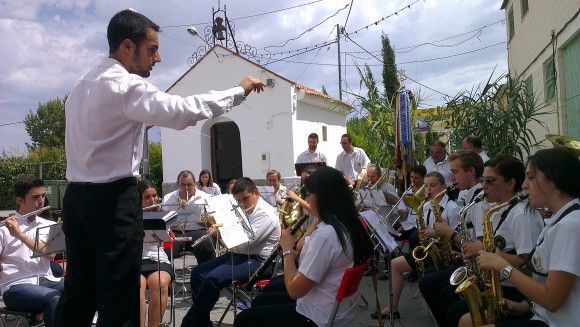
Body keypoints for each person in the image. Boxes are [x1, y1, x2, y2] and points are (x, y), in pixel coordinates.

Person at [59, 9, 265, 326]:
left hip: (75, 201)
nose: (158, 58)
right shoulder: (127, 87)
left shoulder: (80, 88)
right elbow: (182, 111)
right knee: (120, 298)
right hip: (113, 202)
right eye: (152, 49)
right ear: (128, 47)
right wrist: (239, 91)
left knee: (78, 294)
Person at [234, 166, 374, 327]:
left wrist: (287, 251)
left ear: (324, 197)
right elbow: (305, 253)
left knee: (243, 320)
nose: (306, 200)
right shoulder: (346, 223)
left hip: (317, 316)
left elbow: (294, 290)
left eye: (309, 194)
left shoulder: (327, 235)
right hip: (336, 309)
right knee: (261, 300)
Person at [460, 148, 580, 327]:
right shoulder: (560, 220)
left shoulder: (570, 225)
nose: (524, 185)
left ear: (554, 179)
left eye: (531, 177)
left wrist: (501, 265)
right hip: (543, 316)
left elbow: (552, 300)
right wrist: (523, 306)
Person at [443, 155, 543, 326]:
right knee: (448, 301)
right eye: (483, 180)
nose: (483, 186)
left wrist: (487, 251)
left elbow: (528, 266)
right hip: (500, 282)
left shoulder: (521, 216)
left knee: (454, 311)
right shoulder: (497, 209)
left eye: (489, 181)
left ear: (510, 184)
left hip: (517, 289)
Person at [181, 177, 281, 327]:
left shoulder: (266, 214)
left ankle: (190, 323)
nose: (242, 204)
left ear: (256, 193)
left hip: (261, 261)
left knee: (212, 279)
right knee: (197, 273)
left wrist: (221, 232)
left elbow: (246, 244)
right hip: (241, 255)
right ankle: (201, 322)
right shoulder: (243, 208)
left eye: (245, 199)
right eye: (238, 201)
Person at [372, 172, 458, 320]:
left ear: (443, 186)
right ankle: (393, 308)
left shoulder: (452, 207)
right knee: (394, 264)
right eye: (426, 186)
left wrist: (435, 233)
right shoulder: (425, 205)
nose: (429, 189)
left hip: (447, 254)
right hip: (429, 250)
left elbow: (457, 237)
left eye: (433, 185)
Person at [418, 150, 485, 326]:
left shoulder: (479, 202)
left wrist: (449, 233)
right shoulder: (470, 197)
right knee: (431, 279)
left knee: (434, 288)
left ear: (470, 172)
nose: (452, 177)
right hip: (467, 258)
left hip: (479, 268)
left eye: (455, 172)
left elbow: (481, 246)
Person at [1, 176, 64, 327]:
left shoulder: (49, 225)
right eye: (35, 197)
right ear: (19, 200)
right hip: (16, 286)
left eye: (43, 196)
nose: (41, 201)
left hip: (48, 280)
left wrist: (20, 235)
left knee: (86, 287)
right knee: (53, 297)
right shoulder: (3, 230)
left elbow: (52, 255)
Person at [137, 179, 173, 327]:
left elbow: (168, 243)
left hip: (157, 258)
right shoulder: (131, 217)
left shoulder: (163, 215)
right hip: (137, 259)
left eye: (154, 196)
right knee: (137, 285)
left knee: (161, 284)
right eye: (147, 197)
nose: (152, 200)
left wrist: (167, 234)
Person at [162, 170, 215, 264]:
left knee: (207, 244)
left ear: (195, 184)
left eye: (189, 184)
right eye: (183, 184)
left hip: (199, 231)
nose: (186, 188)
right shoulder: (168, 198)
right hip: (175, 233)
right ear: (178, 184)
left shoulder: (206, 198)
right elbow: (163, 220)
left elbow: (214, 218)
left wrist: (212, 225)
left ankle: (205, 275)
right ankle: (167, 276)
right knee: (164, 251)